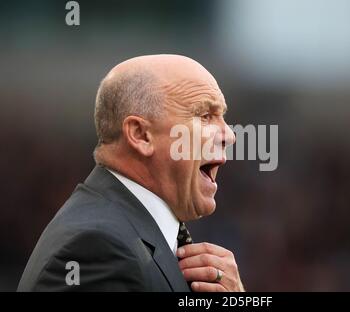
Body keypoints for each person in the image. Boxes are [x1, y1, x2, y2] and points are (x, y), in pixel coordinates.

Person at [18, 54, 244, 292]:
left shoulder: (126, 234)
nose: (229, 135)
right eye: (205, 116)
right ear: (140, 135)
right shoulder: (98, 248)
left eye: (222, 117)